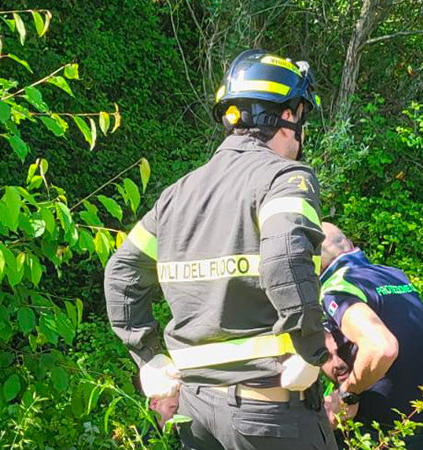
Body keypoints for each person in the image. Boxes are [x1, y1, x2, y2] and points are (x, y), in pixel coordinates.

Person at [104, 49, 336, 450]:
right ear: (289, 116)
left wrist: (149, 357)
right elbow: (284, 257)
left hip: (195, 415)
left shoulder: (178, 194)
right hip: (269, 414)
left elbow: (122, 273)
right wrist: (310, 349)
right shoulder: (284, 178)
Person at [317, 222, 423, 450]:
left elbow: (382, 348)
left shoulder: (338, 287)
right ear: (350, 244)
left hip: (387, 436)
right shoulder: (393, 275)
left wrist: (347, 395)